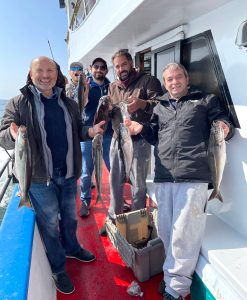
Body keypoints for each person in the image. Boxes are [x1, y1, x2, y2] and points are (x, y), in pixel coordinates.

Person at [125, 62, 234, 300]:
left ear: (186, 79)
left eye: (178, 78)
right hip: (164, 177)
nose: (174, 82)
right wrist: (139, 128)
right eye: (169, 79)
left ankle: (177, 289)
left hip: (193, 176)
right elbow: (154, 135)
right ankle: (170, 277)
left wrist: (225, 126)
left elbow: (223, 122)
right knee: (166, 232)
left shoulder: (206, 100)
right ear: (165, 83)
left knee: (184, 235)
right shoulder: (161, 106)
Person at [0, 56, 105, 295]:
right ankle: (58, 268)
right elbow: (2, 135)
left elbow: (78, 130)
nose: (46, 75)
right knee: (48, 224)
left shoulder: (68, 103)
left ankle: (72, 247)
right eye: (40, 70)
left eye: (50, 70)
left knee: (69, 218)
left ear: (57, 74)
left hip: (68, 173)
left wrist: (90, 131)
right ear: (30, 73)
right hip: (38, 178)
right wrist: (12, 134)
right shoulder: (18, 103)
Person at [99, 49, 163, 236]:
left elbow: (161, 105)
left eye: (123, 64)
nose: (121, 69)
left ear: (131, 64)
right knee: (114, 180)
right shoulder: (112, 87)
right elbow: (110, 114)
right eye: (117, 66)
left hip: (139, 141)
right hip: (117, 138)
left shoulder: (148, 81)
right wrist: (107, 110)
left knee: (138, 185)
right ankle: (113, 218)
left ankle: (136, 226)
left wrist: (142, 103)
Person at [79, 57, 113, 217]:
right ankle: (85, 200)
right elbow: (79, 106)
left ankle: (117, 199)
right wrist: (83, 92)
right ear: (91, 68)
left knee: (114, 168)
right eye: (96, 67)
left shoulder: (111, 87)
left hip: (107, 134)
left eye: (102, 67)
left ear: (106, 70)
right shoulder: (84, 86)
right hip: (88, 134)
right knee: (87, 171)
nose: (99, 70)